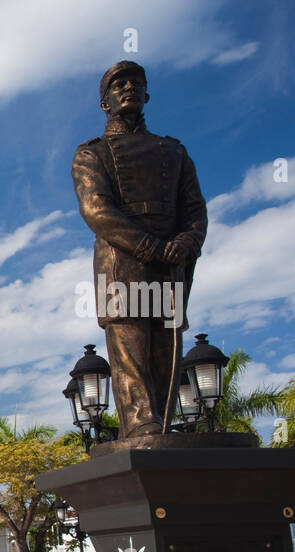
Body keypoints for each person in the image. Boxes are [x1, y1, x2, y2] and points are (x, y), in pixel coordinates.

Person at [72, 61, 208, 437]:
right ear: (105, 102)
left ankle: (163, 423)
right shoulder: (92, 153)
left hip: (172, 263)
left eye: (136, 83)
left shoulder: (174, 153)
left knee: (167, 348)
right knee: (129, 347)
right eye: (119, 85)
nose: (128, 88)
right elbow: (97, 210)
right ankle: (140, 423)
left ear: (147, 94)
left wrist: (187, 241)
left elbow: (194, 208)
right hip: (122, 261)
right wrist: (150, 246)